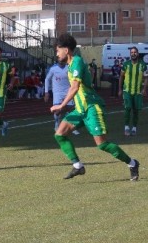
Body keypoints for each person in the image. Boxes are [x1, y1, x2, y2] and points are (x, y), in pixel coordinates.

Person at [49, 33, 140, 181]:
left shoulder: (77, 61)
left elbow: (75, 87)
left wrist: (61, 105)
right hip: (80, 110)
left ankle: (132, 163)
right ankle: (78, 166)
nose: (57, 54)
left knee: (102, 145)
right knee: (60, 134)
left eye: (58, 50)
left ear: (66, 50)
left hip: (91, 108)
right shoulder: (70, 65)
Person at [119, 46, 148, 136]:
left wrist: (144, 89)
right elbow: (121, 77)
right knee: (127, 108)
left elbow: (146, 78)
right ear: (130, 54)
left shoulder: (143, 65)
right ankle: (126, 127)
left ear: (138, 54)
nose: (133, 54)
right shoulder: (126, 64)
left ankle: (134, 128)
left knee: (136, 110)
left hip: (138, 91)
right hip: (127, 90)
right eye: (132, 52)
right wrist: (120, 89)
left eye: (135, 52)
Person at [44, 57, 77, 133]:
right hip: (57, 93)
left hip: (68, 91)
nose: (62, 62)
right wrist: (46, 92)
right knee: (57, 111)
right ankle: (57, 124)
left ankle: (71, 127)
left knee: (71, 109)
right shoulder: (53, 69)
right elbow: (47, 79)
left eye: (63, 61)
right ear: (57, 61)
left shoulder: (69, 68)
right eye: (60, 61)